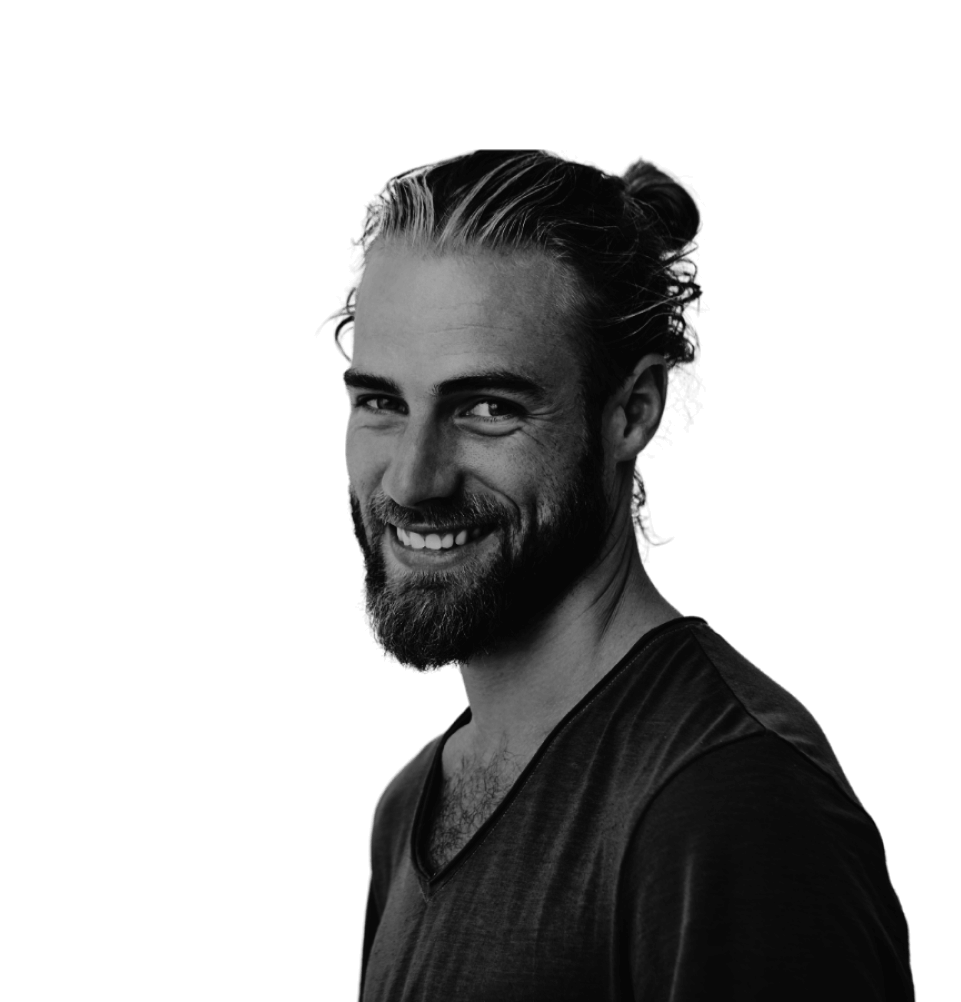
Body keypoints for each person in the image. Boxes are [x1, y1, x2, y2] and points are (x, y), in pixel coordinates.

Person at [315, 149, 916, 1001]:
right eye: (381, 402)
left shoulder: (726, 800)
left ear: (631, 412)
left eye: (486, 408)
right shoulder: (409, 803)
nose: (412, 480)